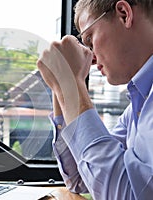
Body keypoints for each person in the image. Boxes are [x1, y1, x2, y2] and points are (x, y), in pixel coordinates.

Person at [37, 0, 153, 199]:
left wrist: (70, 84)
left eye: (90, 39)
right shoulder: (140, 102)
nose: (90, 56)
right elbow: (80, 178)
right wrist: (61, 83)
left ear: (124, 14)